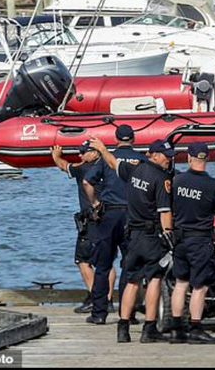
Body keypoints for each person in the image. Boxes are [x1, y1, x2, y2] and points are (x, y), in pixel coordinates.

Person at [89, 137, 175, 344]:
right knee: (154, 279)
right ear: (154, 154)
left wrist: (102, 148)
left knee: (132, 280)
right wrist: (169, 236)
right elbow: (165, 212)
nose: (169, 161)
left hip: (133, 234)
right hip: (151, 235)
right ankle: (149, 328)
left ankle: (123, 328)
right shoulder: (161, 179)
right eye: (166, 156)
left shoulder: (135, 170)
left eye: (171, 157)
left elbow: (112, 163)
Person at [82, 125, 147, 325]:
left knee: (103, 265)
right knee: (131, 265)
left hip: (109, 214)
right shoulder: (142, 159)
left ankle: (99, 313)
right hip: (133, 216)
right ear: (134, 139)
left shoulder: (106, 158)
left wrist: (95, 203)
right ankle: (129, 313)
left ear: (116, 139)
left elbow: (87, 182)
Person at [169, 142, 215, 345]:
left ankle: (176, 329)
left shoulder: (177, 181)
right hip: (200, 239)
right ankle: (196, 327)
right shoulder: (212, 184)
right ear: (207, 159)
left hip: (180, 238)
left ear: (189, 158)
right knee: (200, 286)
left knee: (181, 283)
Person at [52, 141, 116, 315]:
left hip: (92, 220)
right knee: (107, 260)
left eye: (83, 152)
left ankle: (96, 298)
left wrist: (56, 156)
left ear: (95, 153)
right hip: (110, 217)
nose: (80, 155)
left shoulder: (85, 169)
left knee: (83, 260)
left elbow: (65, 166)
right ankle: (108, 299)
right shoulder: (110, 167)